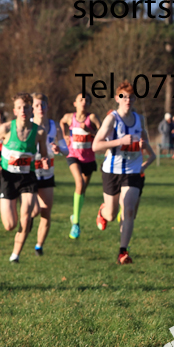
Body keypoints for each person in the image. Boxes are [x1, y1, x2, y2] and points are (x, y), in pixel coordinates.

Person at [92, 80, 156, 264]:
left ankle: (123, 252)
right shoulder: (112, 119)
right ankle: (103, 211)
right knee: (112, 215)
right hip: (112, 171)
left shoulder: (139, 119)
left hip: (132, 171)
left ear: (135, 99)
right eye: (123, 97)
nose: (127, 100)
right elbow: (96, 145)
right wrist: (120, 142)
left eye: (131, 97)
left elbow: (146, 143)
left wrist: (143, 154)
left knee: (128, 210)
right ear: (117, 98)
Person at [0, 93, 48, 262]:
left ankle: (15, 255)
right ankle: (20, 234)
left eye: (26, 107)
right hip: (8, 178)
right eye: (19, 108)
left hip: (28, 177)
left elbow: (43, 155)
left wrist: (44, 160)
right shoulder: (6, 128)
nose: (23, 111)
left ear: (31, 110)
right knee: (10, 225)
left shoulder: (39, 132)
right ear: (14, 111)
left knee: (26, 217)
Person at [60, 93, 101, 239]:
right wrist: (64, 136)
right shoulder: (69, 117)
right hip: (73, 156)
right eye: (81, 100)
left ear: (89, 104)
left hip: (88, 158)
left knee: (82, 190)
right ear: (75, 103)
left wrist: (90, 131)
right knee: (79, 184)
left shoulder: (93, 118)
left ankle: (75, 215)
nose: (84, 102)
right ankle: (76, 224)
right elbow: (61, 122)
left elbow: (102, 134)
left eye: (87, 100)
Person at [31, 93, 67, 255]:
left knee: (46, 212)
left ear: (48, 106)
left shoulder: (55, 126)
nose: (41, 108)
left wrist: (60, 149)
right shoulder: (27, 125)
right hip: (30, 173)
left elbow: (66, 150)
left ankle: (39, 246)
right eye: (37, 105)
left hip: (47, 173)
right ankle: (27, 222)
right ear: (32, 108)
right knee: (34, 211)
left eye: (43, 105)